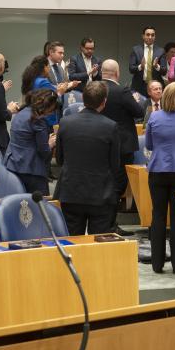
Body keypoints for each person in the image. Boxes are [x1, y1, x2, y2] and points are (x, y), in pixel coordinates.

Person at [55, 81, 121, 235]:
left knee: (72, 243)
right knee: (97, 246)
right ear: (104, 102)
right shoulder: (111, 126)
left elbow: (59, 159)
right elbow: (115, 165)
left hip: (71, 192)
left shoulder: (65, 123)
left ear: (83, 99)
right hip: (101, 194)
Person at [144, 82, 175, 274]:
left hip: (158, 171)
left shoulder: (154, 116)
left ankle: (157, 263)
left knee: (158, 216)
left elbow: (149, 144)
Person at [101, 59, 143, 235]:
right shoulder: (122, 90)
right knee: (118, 185)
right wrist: (134, 100)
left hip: (101, 142)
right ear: (117, 73)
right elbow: (139, 112)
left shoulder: (94, 88)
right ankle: (110, 224)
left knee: (104, 183)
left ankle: (103, 223)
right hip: (121, 145)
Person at [4, 89, 58, 194]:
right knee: (38, 208)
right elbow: (44, 151)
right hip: (32, 171)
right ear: (48, 106)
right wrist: (50, 144)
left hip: (13, 166)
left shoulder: (20, 113)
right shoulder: (38, 119)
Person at [129, 26, 167, 97]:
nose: (150, 37)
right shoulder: (136, 50)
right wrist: (141, 66)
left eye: (152, 35)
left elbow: (164, 71)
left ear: (155, 37)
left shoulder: (161, 51)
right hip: (139, 86)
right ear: (143, 36)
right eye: (148, 34)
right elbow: (131, 69)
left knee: (155, 107)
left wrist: (157, 67)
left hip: (155, 86)